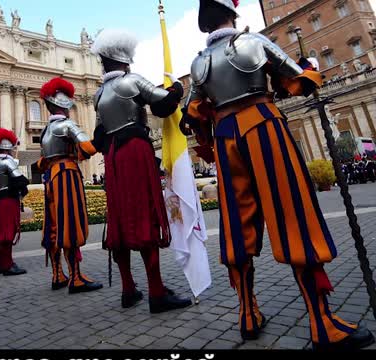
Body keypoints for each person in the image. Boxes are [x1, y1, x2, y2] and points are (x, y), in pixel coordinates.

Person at [180, 0, 374, 349]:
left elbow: (190, 116)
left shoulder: (198, 63)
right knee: (293, 214)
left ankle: (247, 313)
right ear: (233, 14)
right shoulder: (253, 42)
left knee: (237, 226)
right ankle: (321, 321)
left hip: (226, 139)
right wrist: (311, 71)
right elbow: (295, 80)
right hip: (262, 126)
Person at [91, 29, 192, 313]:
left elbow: (98, 136)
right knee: (145, 214)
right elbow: (165, 103)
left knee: (120, 219)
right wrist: (177, 88)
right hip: (135, 151)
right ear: (125, 61)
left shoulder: (99, 94)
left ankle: (128, 289)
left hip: (112, 156)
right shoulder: (131, 80)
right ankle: (157, 292)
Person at [38, 77, 102, 294]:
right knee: (71, 224)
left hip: (51, 177)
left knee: (54, 226)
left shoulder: (45, 131)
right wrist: (100, 139)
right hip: (67, 174)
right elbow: (88, 148)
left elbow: (42, 161)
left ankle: (57, 274)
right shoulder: (67, 124)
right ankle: (75, 277)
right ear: (65, 106)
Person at [0, 128, 29, 276]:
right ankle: (7, 265)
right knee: (7, 233)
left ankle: (3, 263)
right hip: (8, 199)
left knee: (1, 232)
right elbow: (21, 180)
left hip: (0, 197)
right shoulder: (7, 162)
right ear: (8, 150)